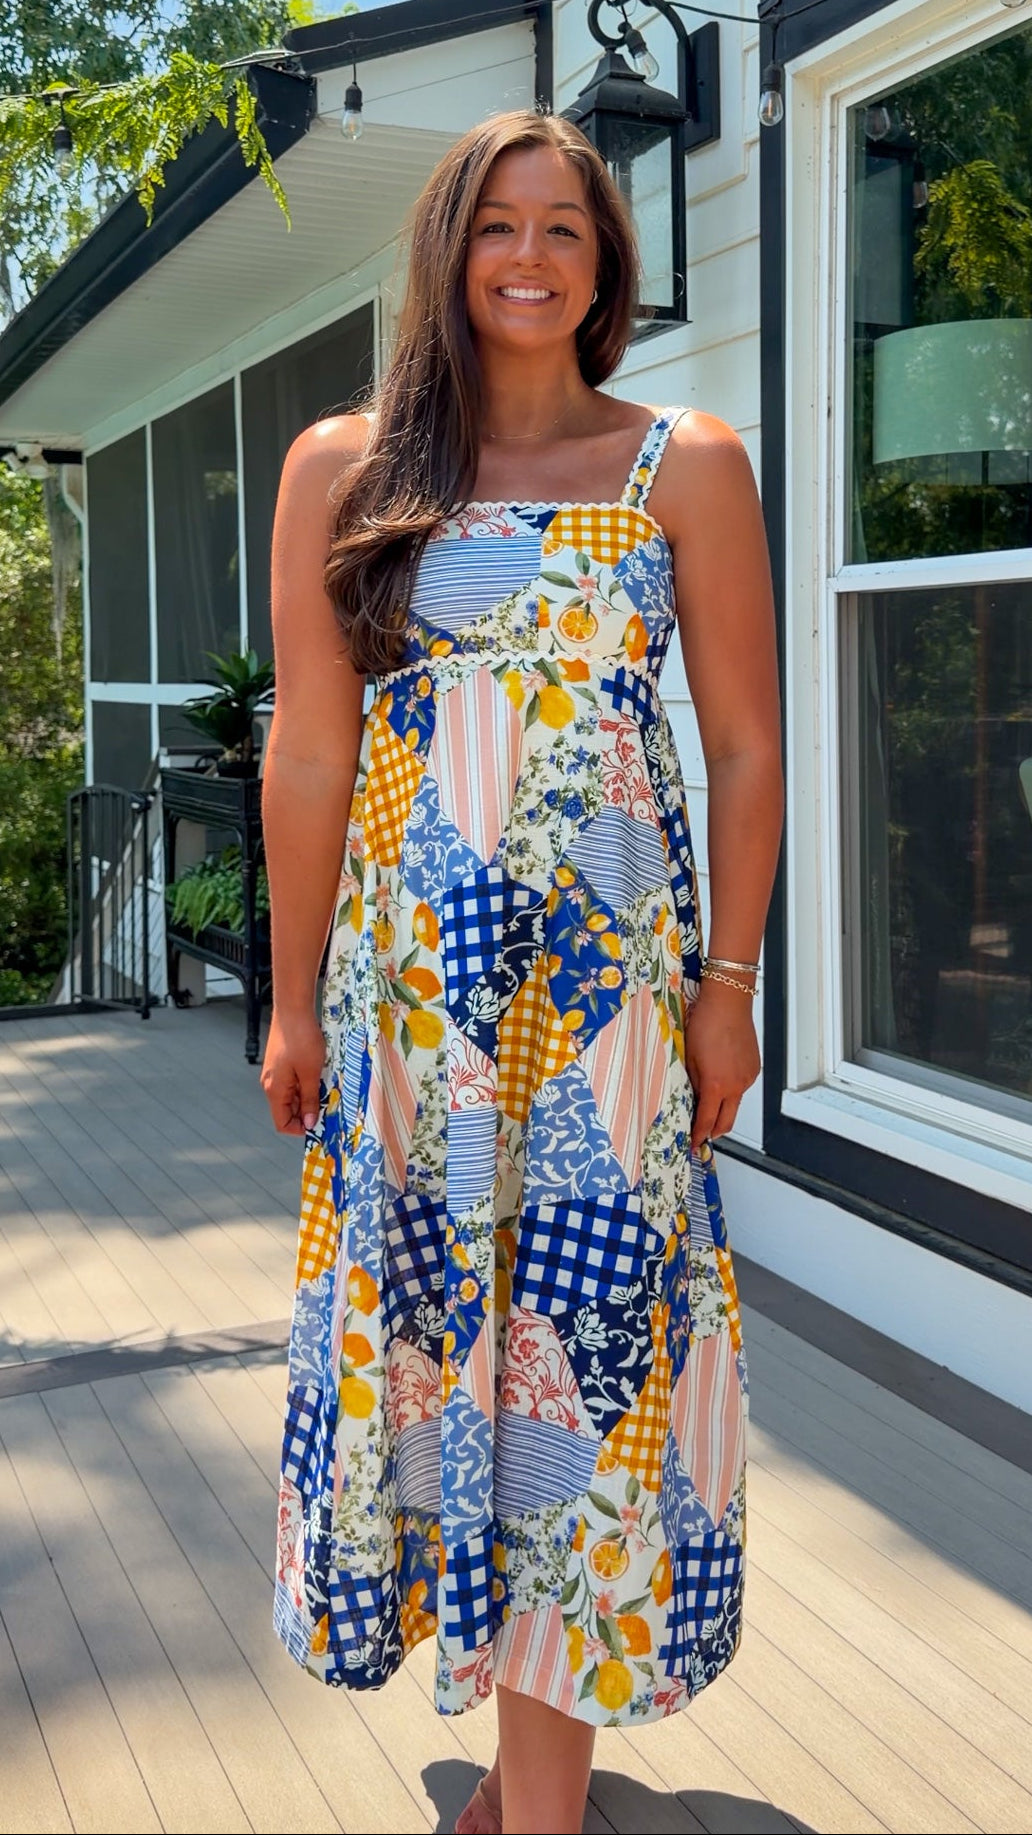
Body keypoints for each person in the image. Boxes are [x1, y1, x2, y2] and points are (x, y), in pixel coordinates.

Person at [261, 109, 782, 1835]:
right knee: (445, 1353)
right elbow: (309, 759)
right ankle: (513, 1777)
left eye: (570, 228)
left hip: (611, 1020)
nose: (533, 257)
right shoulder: (347, 470)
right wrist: (284, 998)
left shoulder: (685, 461)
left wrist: (731, 980)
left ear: (609, 265)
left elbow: (748, 743)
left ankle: (537, 1808)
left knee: (579, 1356)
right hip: (410, 1015)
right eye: (501, 223)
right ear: (449, 250)